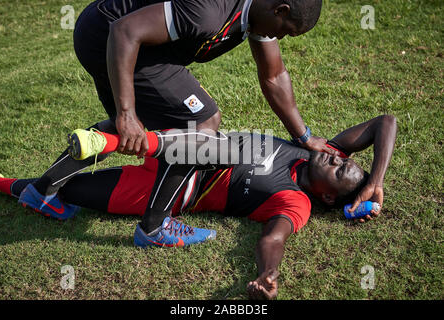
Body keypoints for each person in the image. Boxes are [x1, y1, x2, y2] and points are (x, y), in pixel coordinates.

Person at [17, 0, 340, 244]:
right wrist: (127, 113)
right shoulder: (210, 10)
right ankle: (155, 227)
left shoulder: (258, 13)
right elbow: (125, 31)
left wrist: (304, 136)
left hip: (118, 39)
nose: (280, 37)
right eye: (286, 30)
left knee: (149, 122)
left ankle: (41, 193)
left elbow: (274, 75)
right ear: (280, 9)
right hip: (114, 38)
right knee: (201, 122)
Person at [0, 115, 397, 299]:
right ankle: (106, 142)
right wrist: (373, 183)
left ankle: (5, 183)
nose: (337, 158)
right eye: (344, 158)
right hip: (185, 142)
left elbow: (275, 237)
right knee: (116, 127)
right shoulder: (315, 149)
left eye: (342, 169)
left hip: (169, 191)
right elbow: (386, 123)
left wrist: (268, 274)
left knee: (70, 189)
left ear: (328, 196)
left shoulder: (296, 202)